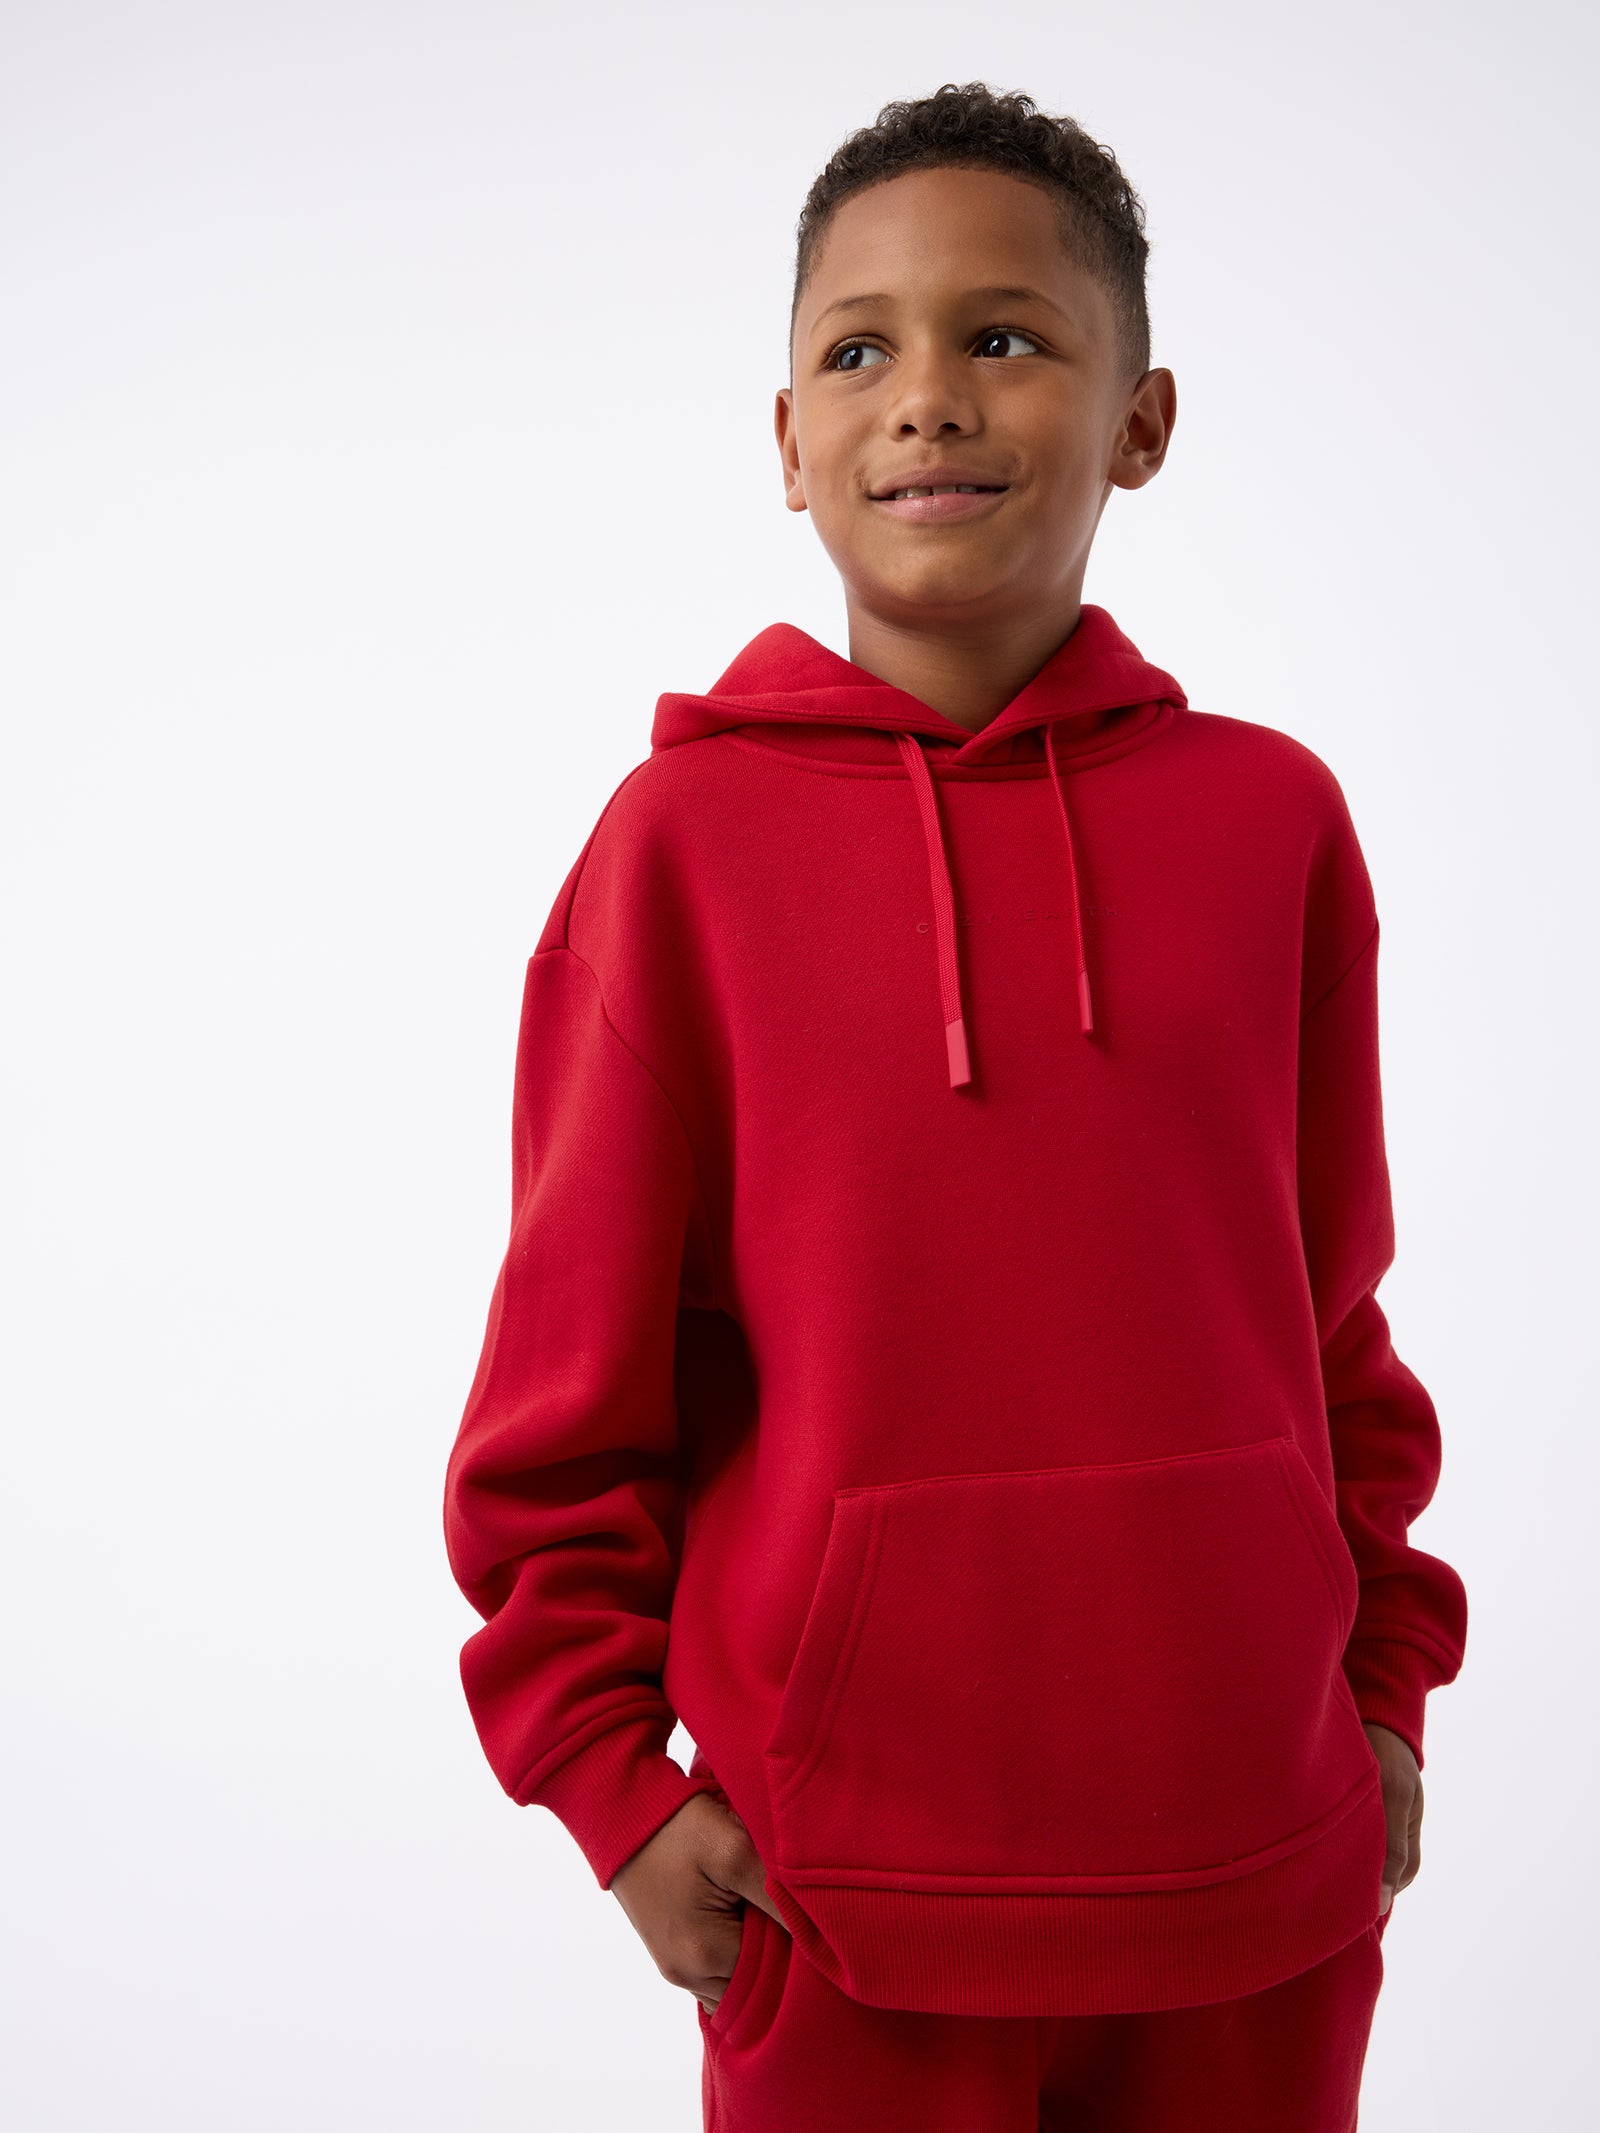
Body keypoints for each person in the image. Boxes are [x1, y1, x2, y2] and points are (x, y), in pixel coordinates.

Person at [442, 81, 1468, 2132]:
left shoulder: (1268, 824)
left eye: (1002, 335)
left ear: (1140, 420)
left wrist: (1378, 1698)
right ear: (787, 442)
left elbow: (1326, 1319)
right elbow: (565, 1403)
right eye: (859, 349)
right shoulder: (676, 854)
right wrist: (608, 1786)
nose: (926, 398)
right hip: (842, 1904)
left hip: (1254, 1882)